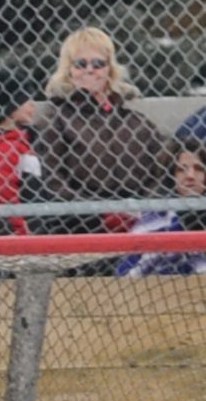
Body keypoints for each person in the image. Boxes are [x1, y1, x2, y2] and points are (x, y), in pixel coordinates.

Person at [29, 28, 170, 228]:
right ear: (69, 71)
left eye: (98, 64)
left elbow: (162, 171)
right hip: (82, 220)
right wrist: (96, 212)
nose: (89, 70)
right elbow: (53, 180)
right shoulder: (58, 119)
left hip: (139, 214)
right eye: (80, 64)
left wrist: (143, 208)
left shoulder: (135, 121)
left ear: (109, 70)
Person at [117, 143, 206, 274]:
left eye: (199, 169)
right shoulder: (157, 216)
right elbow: (130, 271)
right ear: (172, 176)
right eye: (181, 169)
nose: (190, 175)